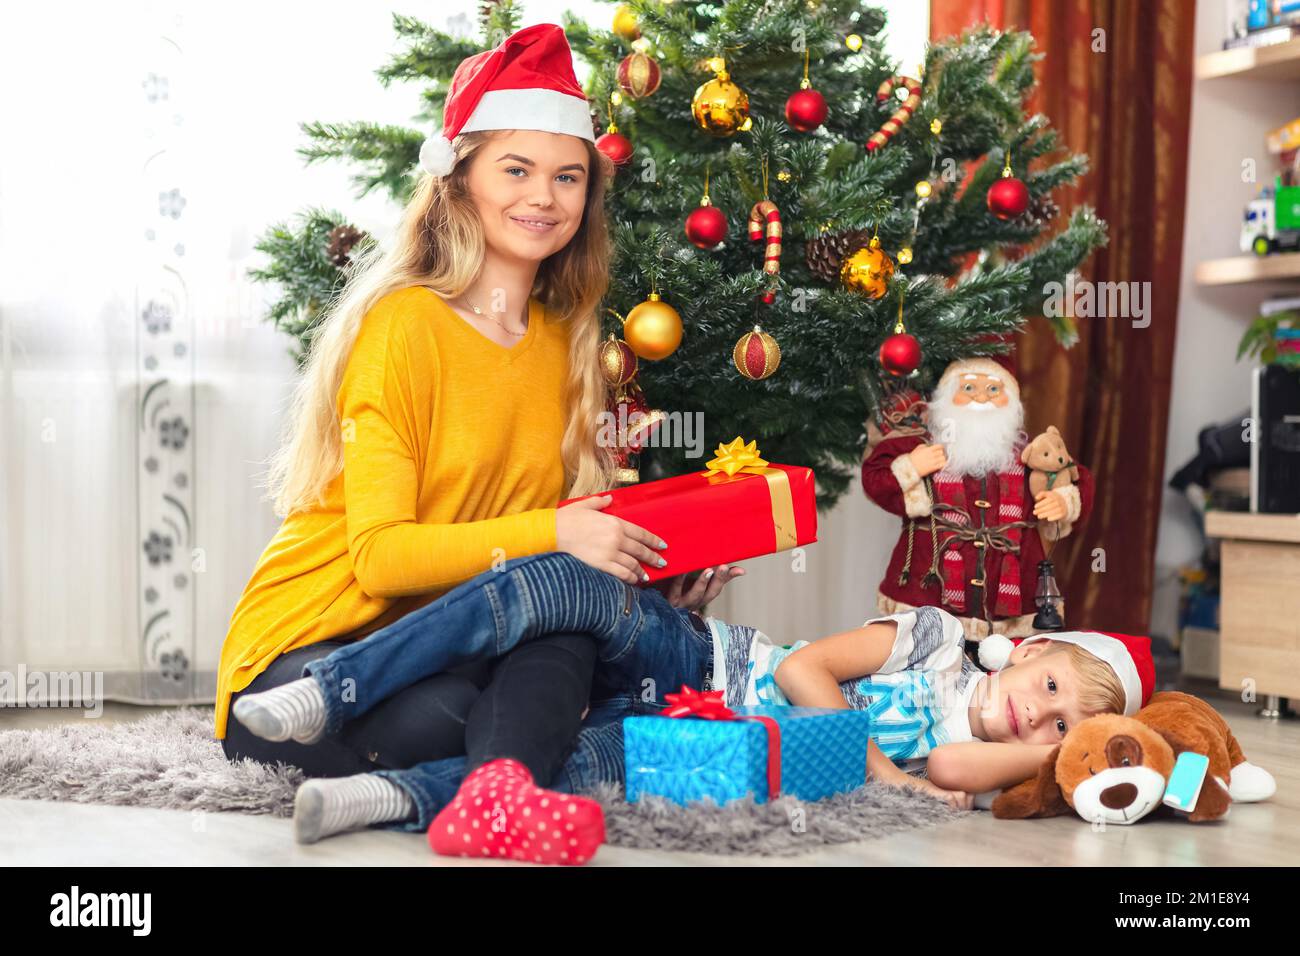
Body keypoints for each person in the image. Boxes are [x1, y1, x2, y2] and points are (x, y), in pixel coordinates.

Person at [215, 23, 741, 866]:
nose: (545, 196)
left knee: (580, 651)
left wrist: (659, 591)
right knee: (515, 715)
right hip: (305, 668)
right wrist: (561, 536)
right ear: (459, 182)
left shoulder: (561, 342)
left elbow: (531, 581)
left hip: (455, 646)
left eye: (568, 176)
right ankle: (493, 780)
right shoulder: (405, 327)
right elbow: (384, 561)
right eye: (517, 169)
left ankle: (469, 798)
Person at [235, 554, 1154, 831]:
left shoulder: (991, 746)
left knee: (572, 767)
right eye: (1048, 687)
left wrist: (1057, 753)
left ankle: (381, 799)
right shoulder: (938, 639)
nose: (1038, 711)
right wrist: (877, 768)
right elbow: (801, 673)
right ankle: (338, 683)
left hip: (703, 739)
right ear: (1030, 648)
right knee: (561, 584)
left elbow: (952, 765)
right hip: (699, 661)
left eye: (1061, 723)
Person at [861, 356, 1095, 643]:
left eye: (994, 390)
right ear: (947, 399)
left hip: (1012, 611)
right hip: (927, 596)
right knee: (924, 671)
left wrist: (1063, 499)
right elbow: (875, 478)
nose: (981, 397)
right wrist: (911, 466)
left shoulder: (1030, 454)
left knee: (1003, 678)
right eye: (969, 388)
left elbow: (1076, 478)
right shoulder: (923, 447)